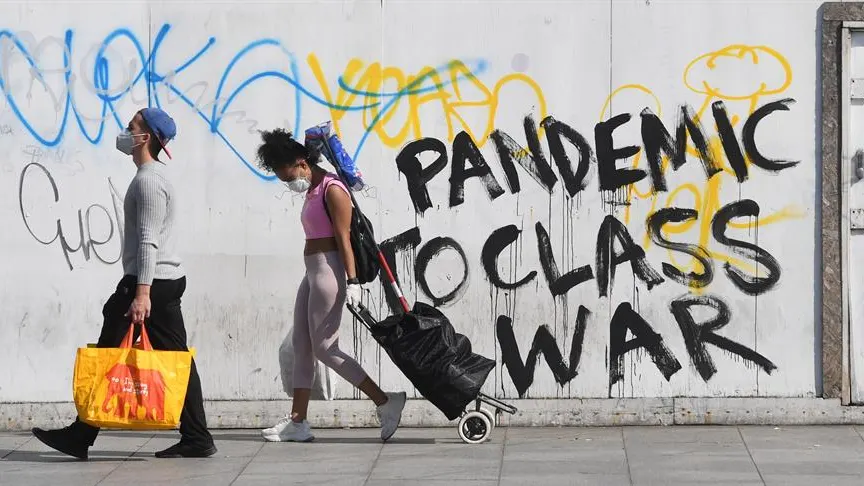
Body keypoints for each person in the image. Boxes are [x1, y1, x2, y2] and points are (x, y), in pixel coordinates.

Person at [31, 108, 217, 460]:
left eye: (132, 127)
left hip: (149, 282)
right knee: (176, 358)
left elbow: (148, 240)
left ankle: (81, 435)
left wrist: (142, 293)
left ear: (145, 138)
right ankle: (197, 436)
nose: (125, 131)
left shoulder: (148, 181)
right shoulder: (155, 176)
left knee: (108, 350)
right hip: (165, 280)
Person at [255, 128, 406, 443]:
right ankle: (298, 421)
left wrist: (352, 282)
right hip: (312, 272)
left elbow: (343, 238)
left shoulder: (332, 189)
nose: (287, 182)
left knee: (325, 348)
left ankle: (385, 401)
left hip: (330, 273)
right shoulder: (312, 188)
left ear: (301, 162)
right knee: (302, 345)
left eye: (286, 175)